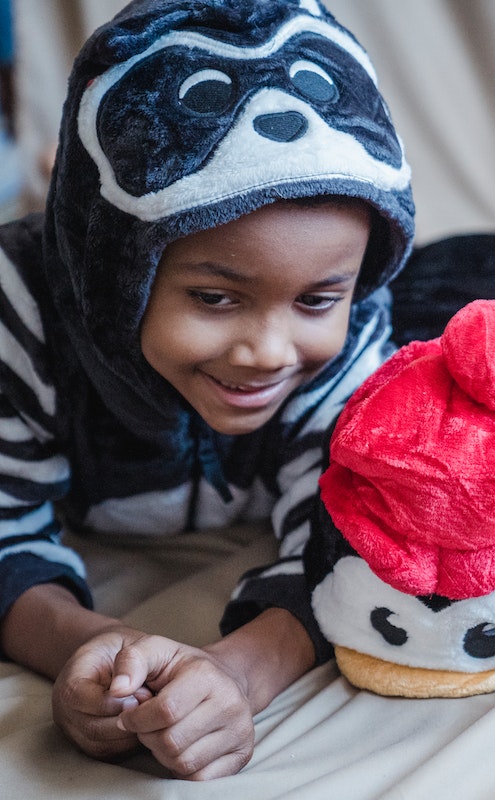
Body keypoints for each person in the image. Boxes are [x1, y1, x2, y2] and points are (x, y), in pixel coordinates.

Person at [0, 0, 415, 780]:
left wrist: (239, 670)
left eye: (318, 299)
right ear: (115, 275)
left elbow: (357, 536)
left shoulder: (355, 331)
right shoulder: (18, 317)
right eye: (216, 298)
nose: (268, 351)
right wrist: (94, 649)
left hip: (449, 285)